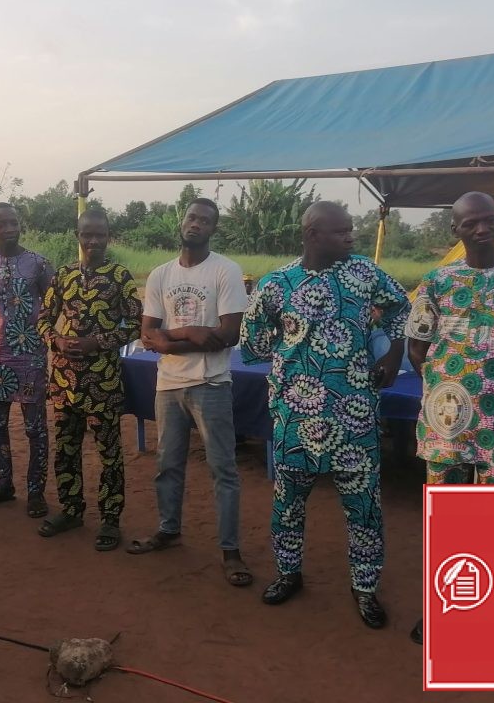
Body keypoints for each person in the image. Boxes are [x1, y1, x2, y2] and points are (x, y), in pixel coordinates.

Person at [240, 201, 409, 624]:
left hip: (355, 414)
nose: (351, 237)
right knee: (288, 501)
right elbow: (253, 340)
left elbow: (402, 308)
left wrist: (393, 354)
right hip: (295, 416)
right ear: (313, 234)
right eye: (342, 231)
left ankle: (365, 588)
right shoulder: (277, 284)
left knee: (363, 506)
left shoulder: (365, 274)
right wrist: (291, 355)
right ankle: (288, 573)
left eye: (351, 230)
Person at [404, 191, 494, 644]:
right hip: (446, 421)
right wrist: (443, 386)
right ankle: (441, 607)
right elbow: (416, 345)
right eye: (471, 223)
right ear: (456, 230)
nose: (483, 228)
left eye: (489, 220)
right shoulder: (438, 280)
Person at [127, 198, 252, 587]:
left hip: (211, 384)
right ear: (182, 222)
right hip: (168, 385)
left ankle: (230, 550)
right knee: (168, 465)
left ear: (214, 228)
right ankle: (169, 529)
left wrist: (168, 340)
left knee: (222, 469)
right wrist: (190, 333)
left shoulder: (226, 271)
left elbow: (228, 335)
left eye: (205, 220)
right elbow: (147, 334)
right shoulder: (160, 274)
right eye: (191, 217)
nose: (196, 224)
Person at [35, 209, 142, 551]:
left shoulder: (120, 277)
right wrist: (57, 341)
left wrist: (98, 342)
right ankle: (71, 510)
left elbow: (136, 325)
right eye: (87, 235)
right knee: (66, 450)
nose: (93, 241)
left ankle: (110, 519)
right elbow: (43, 319)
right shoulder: (63, 275)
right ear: (77, 236)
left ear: (109, 237)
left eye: (100, 235)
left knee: (109, 452)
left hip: (103, 383)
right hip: (64, 383)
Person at [0, 203, 53, 518]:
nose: (8, 229)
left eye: (13, 223)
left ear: (21, 225)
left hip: (30, 358)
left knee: (35, 428)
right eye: (1, 224)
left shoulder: (39, 264)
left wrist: (32, 327)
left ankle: (36, 493)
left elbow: (54, 304)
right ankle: (3, 485)